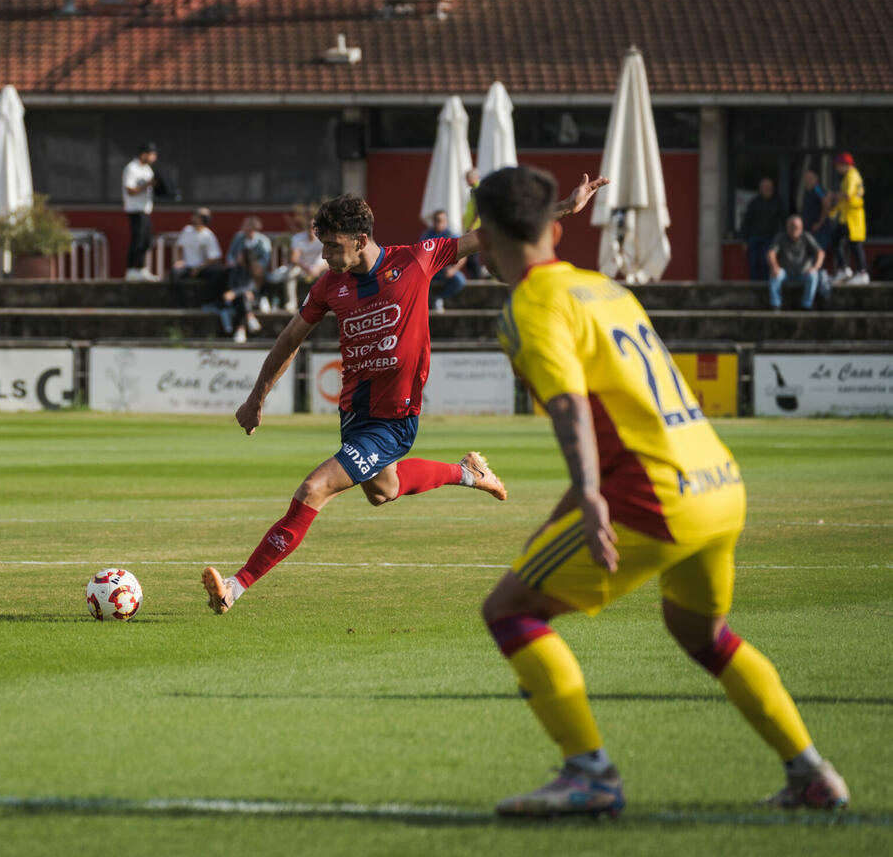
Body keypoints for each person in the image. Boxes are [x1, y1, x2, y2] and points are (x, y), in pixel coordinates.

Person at [472, 165, 848, 817]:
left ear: (484, 237)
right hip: (718, 482)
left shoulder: (529, 306)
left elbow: (571, 409)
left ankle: (589, 774)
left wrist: (590, 495)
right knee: (700, 631)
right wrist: (576, 503)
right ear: (553, 230)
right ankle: (812, 773)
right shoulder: (606, 290)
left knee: (510, 612)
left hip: (654, 494)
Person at [199, 182, 604, 615]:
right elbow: (289, 339)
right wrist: (257, 397)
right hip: (354, 413)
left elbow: (493, 234)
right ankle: (467, 473)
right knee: (383, 490)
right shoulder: (329, 286)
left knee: (314, 489)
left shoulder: (416, 259)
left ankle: (235, 587)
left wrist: (564, 208)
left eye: (333, 246)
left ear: (360, 240)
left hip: (393, 420)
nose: (325, 256)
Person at [221, 215, 271, 342]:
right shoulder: (238, 238)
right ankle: (249, 317)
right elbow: (231, 254)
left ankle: (241, 328)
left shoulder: (262, 241)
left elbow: (265, 260)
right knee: (243, 297)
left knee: (244, 295)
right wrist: (234, 263)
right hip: (243, 285)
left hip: (255, 271)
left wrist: (235, 292)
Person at [267, 204, 327, 309]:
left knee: (331, 274)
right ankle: (291, 302)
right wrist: (307, 268)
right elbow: (294, 259)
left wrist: (317, 268)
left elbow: (327, 258)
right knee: (291, 274)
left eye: (314, 227)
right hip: (301, 268)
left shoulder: (323, 238)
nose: (311, 229)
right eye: (309, 227)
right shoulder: (298, 238)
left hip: (319, 268)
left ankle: (326, 302)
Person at [767, 215, 825, 310]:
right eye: (791, 226)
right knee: (774, 274)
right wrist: (774, 267)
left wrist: (815, 267)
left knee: (813, 275)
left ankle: (807, 305)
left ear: (801, 227)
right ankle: (775, 304)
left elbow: (820, 252)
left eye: (796, 227)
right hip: (785, 273)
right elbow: (771, 252)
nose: (793, 229)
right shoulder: (781, 237)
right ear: (787, 227)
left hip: (803, 273)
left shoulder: (806, 236)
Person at [828, 152, 869, 284]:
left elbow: (847, 196)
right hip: (847, 216)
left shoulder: (852, 175)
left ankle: (861, 272)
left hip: (852, 217)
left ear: (845, 165)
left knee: (854, 243)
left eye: (838, 165)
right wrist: (833, 211)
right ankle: (845, 269)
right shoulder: (849, 176)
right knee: (839, 240)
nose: (837, 168)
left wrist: (833, 195)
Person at [122, 143, 159, 281]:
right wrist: (147, 184)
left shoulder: (148, 169)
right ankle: (131, 270)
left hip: (146, 209)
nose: (154, 157)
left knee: (146, 241)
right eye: (152, 154)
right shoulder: (132, 168)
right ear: (144, 154)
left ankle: (141, 269)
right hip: (135, 209)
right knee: (137, 240)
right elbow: (130, 190)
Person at [419, 210, 467, 313]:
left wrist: (453, 270)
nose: (438, 223)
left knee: (460, 280)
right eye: (436, 220)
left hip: (444, 271)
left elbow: (463, 256)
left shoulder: (452, 236)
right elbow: (420, 253)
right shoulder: (427, 235)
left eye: (440, 220)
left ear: (446, 221)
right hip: (430, 270)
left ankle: (439, 298)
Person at [739, 177, 783, 282]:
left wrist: (781, 239)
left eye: (769, 187)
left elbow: (783, 220)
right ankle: (754, 286)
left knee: (765, 262)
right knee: (753, 262)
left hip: (770, 238)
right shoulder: (754, 202)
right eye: (765, 187)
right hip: (754, 238)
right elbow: (746, 221)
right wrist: (744, 240)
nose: (767, 189)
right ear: (761, 188)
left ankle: (765, 285)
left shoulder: (777, 202)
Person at [171, 207, 223, 282]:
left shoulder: (208, 235)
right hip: (186, 267)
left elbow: (214, 257)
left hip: (202, 269)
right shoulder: (187, 230)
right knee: (175, 272)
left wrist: (199, 268)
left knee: (216, 272)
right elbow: (180, 247)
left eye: (197, 216)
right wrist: (180, 260)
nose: (193, 217)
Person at [799, 169, 832, 254]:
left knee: (818, 254)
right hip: (810, 230)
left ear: (816, 179)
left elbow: (826, 203)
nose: (808, 181)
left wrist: (820, 223)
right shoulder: (808, 192)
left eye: (810, 178)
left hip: (819, 231)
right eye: (806, 179)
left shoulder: (818, 189)